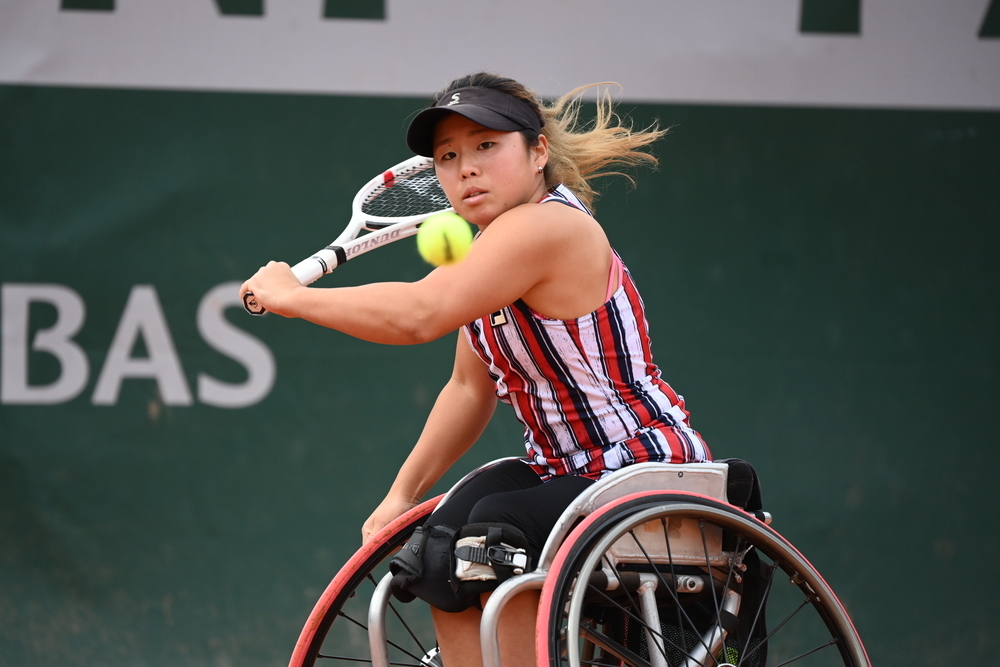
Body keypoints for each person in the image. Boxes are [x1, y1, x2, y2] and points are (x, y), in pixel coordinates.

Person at [239, 72, 711, 667]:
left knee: (490, 535)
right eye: (448, 156)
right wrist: (401, 494)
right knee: (437, 551)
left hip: (646, 471)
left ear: (538, 152)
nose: (465, 168)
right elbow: (468, 387)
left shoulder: (550, 226)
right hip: (562, 476)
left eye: (487, 145)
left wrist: (292, 297)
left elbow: (419, 314)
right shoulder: (485, 251)